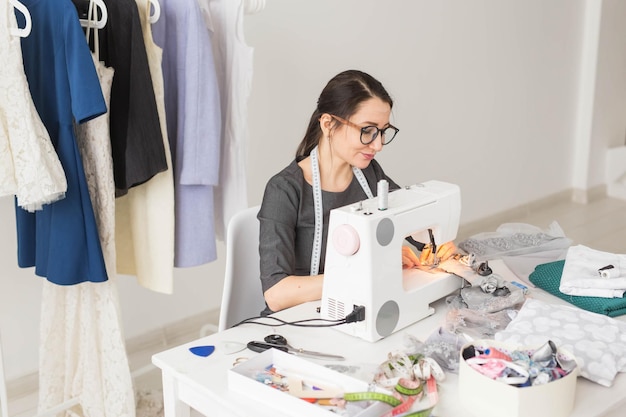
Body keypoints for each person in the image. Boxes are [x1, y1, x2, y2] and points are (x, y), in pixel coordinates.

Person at [258, 70, 456, 314]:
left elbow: (413, 224)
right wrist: (372, 272)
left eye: (383, 131)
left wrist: (437, 244)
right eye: (367, 130)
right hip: (296, 321)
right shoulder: (284, 189)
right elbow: (277, 294)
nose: (378, 144)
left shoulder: (370, 175)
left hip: (354, 309)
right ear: (329, 124)